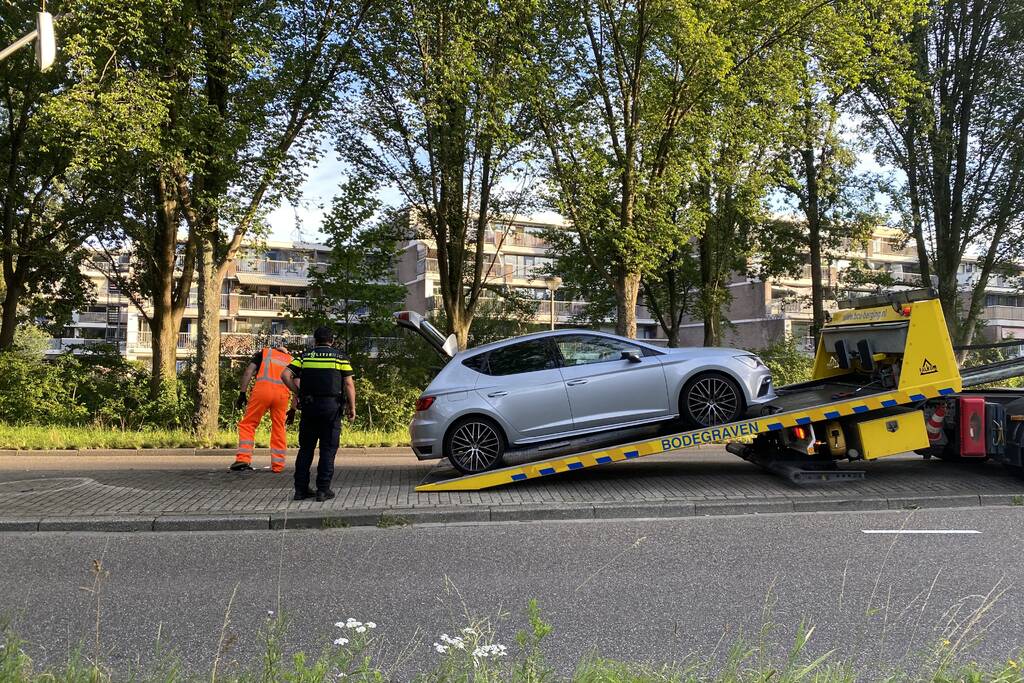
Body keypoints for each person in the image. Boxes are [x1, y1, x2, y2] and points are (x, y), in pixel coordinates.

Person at [281, 326, 356, 501]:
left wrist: (299, 393)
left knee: (306, 449)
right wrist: (352, 407)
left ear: (315, 340)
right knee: (328, 450)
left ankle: (300, 490)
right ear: (332, 340)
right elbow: (349, 384)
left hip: (309, 406)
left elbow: (285, 375)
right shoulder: (340, 357)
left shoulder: (305, 357)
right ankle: (323, 490)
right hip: (331, 408)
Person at [231, 343, 296, 473]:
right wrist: (293, 409)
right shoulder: (292, 360)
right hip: (282, 396)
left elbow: (248, 372)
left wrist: (242, 393)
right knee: (279, 427)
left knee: (248, 424)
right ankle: (278, 465)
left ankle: (243, 459)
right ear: (286, 352)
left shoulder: (265, 354)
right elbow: (297, 385)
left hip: (262, 392)